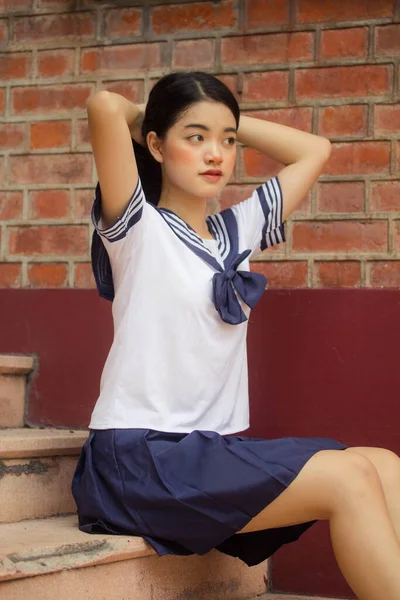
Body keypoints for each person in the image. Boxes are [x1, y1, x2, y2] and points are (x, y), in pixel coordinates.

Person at [72, 71, 400, 600]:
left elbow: (315, 150)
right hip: (137, 460)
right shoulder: (136, 227)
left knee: (384, 465)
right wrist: (154, 119)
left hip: (203, 454)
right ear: (154, 145)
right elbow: (105, 106)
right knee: (350, 478)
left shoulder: (234, 233)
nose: (215, 154)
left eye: (226, 141)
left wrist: (225, 124)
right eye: (195, 137)